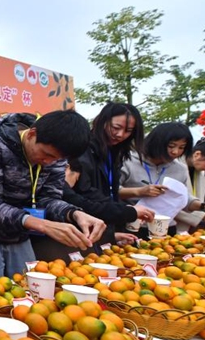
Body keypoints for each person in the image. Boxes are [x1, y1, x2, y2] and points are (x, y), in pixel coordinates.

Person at [0, 111, 106, 278]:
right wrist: (41, 224)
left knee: (29, 289)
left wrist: (74, 213)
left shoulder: (56, 157)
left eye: (58, 159)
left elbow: (48, 198)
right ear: (32, 134)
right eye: (47, 154)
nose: (49, 162)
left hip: (22, 235)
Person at [62, 102, 155, 240]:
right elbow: (84, 197)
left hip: (100, 230)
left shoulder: (114, 153)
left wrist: (112, 233)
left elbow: (107, 194)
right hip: (79, 231)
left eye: (128, 131)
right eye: (116, 127)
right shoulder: (82, 150)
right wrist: (125, 212)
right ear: (102, 121)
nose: (120, 134)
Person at [120, 122, 205, 233]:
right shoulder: (127, 161)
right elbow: (110, 191)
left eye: (182, 147)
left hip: (164, 228)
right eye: (171, 146)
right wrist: (138, 191)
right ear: (156, 142)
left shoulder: (180, 169)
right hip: (131, 226)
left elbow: (182, 198)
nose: (175, 152)